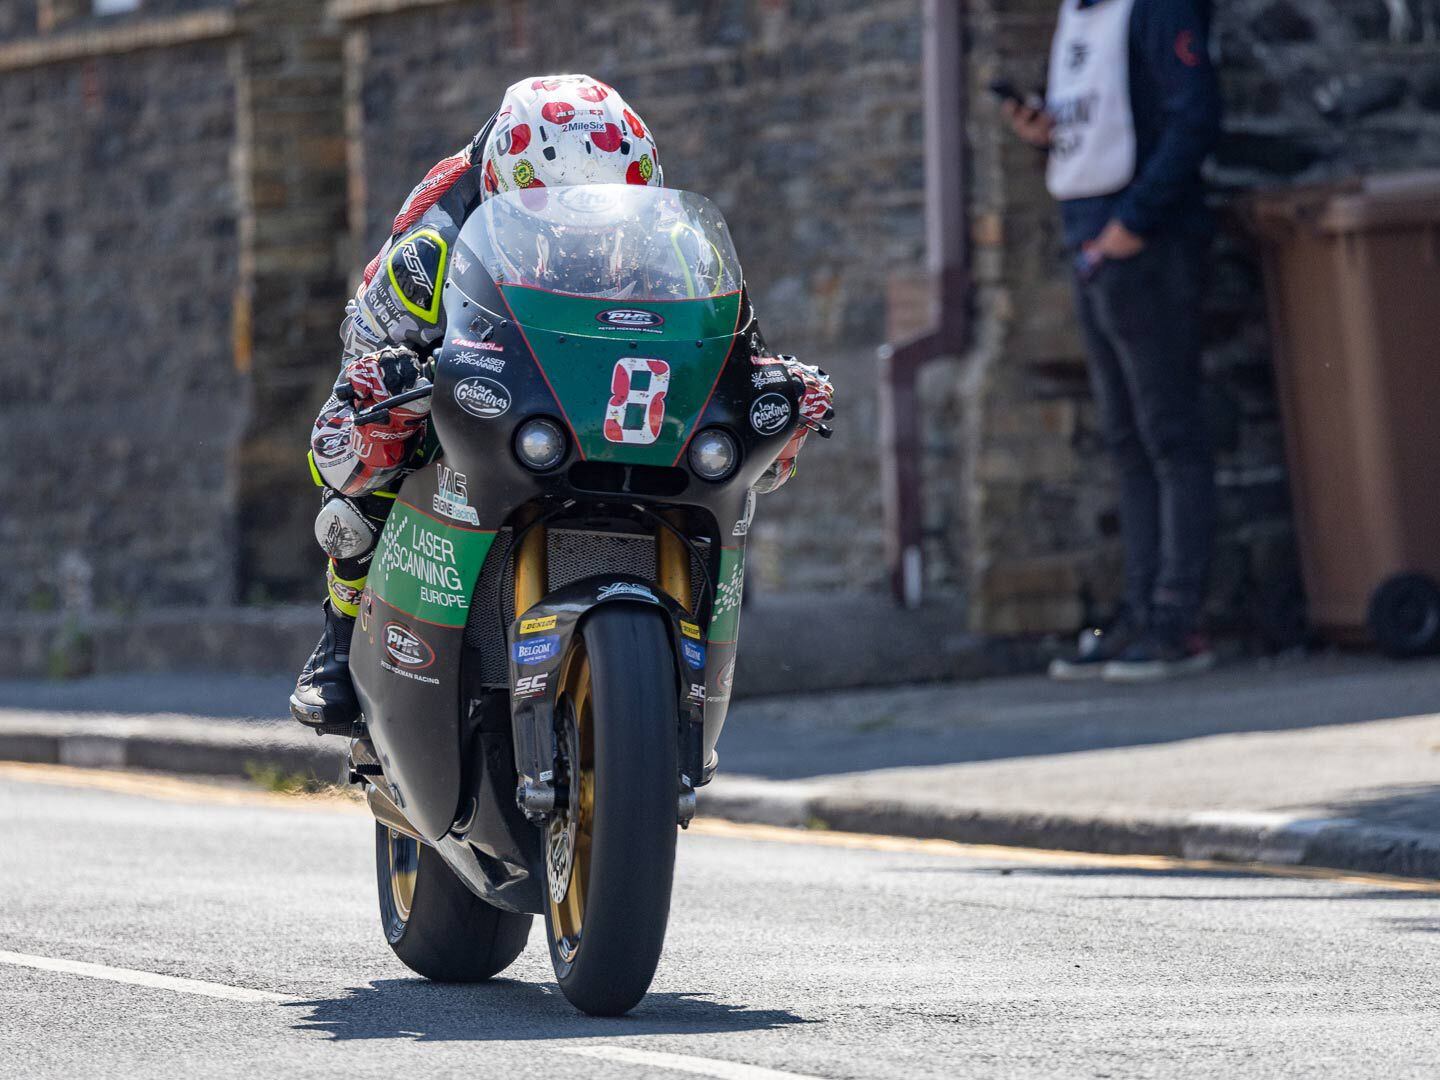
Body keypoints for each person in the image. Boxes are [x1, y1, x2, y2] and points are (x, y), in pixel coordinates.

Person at [291, 74, 833, 731]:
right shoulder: (427, 251)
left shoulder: (676, 250)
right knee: (368, 447)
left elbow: (731, 350)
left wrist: (774, 382)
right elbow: (350, 390)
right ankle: (340, 633)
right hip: (484, 383)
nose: (587, 238)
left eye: (606, 215)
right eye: (557, 214)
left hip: (585, 403)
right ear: (505, 190)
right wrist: (386, 385)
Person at [1002, 0, 1222, 682]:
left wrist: (1135, 222)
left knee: (1170, 433)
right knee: (1127, 439)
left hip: (1142, 246)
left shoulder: (1156, 8)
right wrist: (1044, 133)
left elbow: (1195, 115)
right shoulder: (1081, 15)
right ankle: (1139, 613)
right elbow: (1101, 120)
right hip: (1091, 243)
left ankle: (1176, 619)